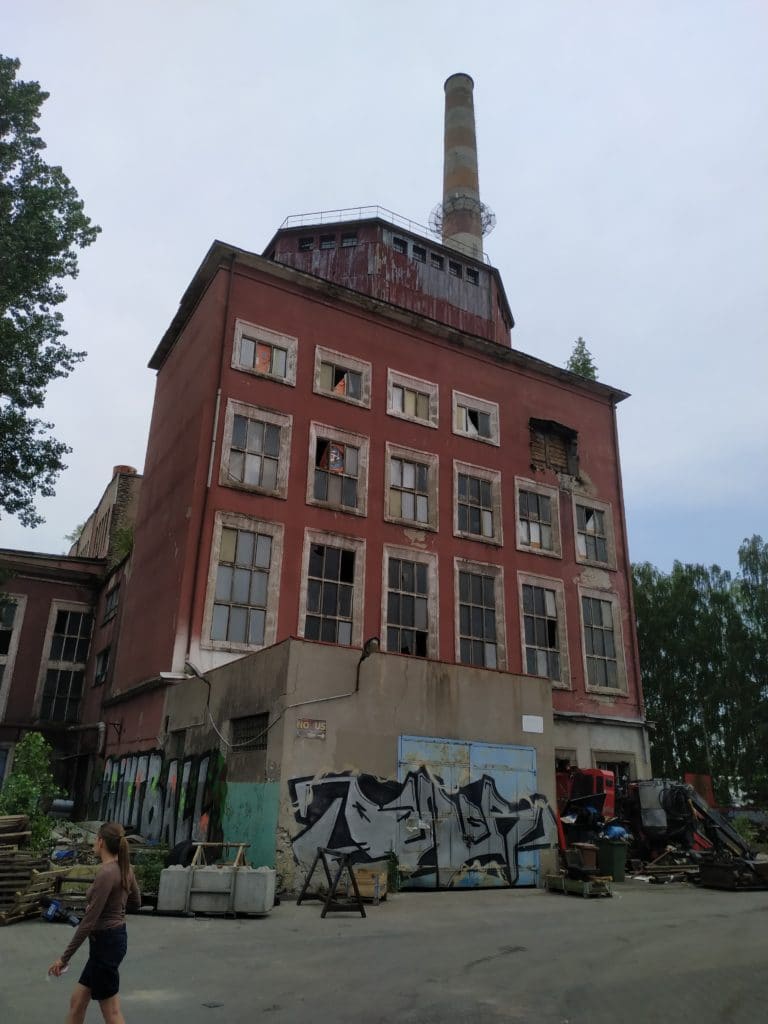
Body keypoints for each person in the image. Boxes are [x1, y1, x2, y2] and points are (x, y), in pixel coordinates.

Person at [48, 822, 141, 1024]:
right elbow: (136, 902)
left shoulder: (107, 873)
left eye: (95, 839)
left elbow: (88, 923)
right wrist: (115, 909)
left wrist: (64, 958)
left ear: (101, 842)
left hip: (106, 944)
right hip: (110, 942)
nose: (93, 843)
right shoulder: (125, 868)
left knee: (112, 1012)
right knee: (77, 1002)